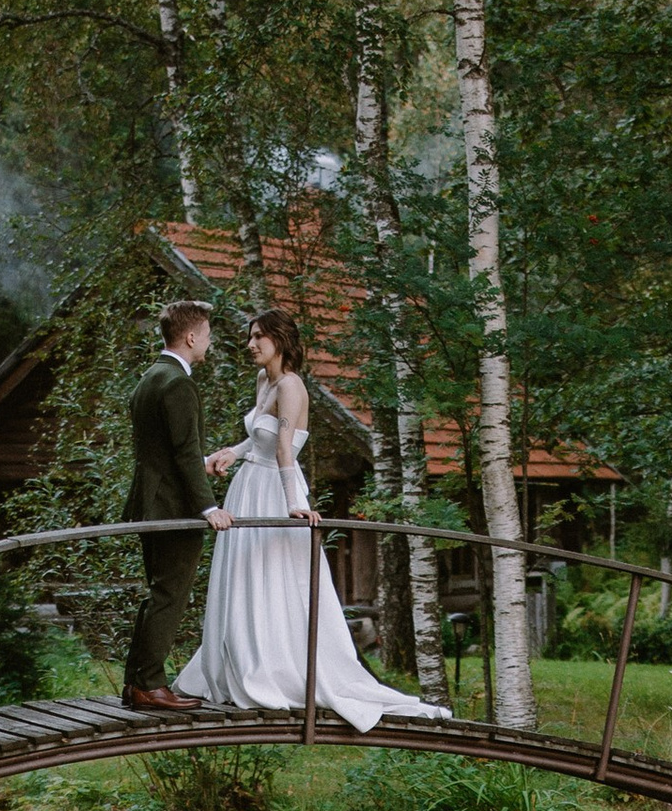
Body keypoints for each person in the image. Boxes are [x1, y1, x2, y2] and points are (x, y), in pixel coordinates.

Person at [181, 310, 448, 732]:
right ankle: (242, 658)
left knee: (277, 577)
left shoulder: (291, 387)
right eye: (250, 337)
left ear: (281, 341)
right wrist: (232, 452)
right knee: (246, 575)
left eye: (259, 338)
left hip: (274, 490)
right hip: (249, 485)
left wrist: (293, 504)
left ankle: (277, 667)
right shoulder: (264, 381)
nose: (251, 345)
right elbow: (259, 436)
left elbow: (285, 448)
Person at [121, 303, 218, 711]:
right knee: (170, 595)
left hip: (151, 502)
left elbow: (167, 453)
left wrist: (202, 465)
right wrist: (209, 507)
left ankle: (136, 683)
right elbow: (182, 451)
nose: (210, 342)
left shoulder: (149, 378)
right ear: (191, 337)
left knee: (158, 592)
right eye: (208, 334)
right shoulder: (178, 383)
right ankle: (150, 684)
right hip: (173, 509)